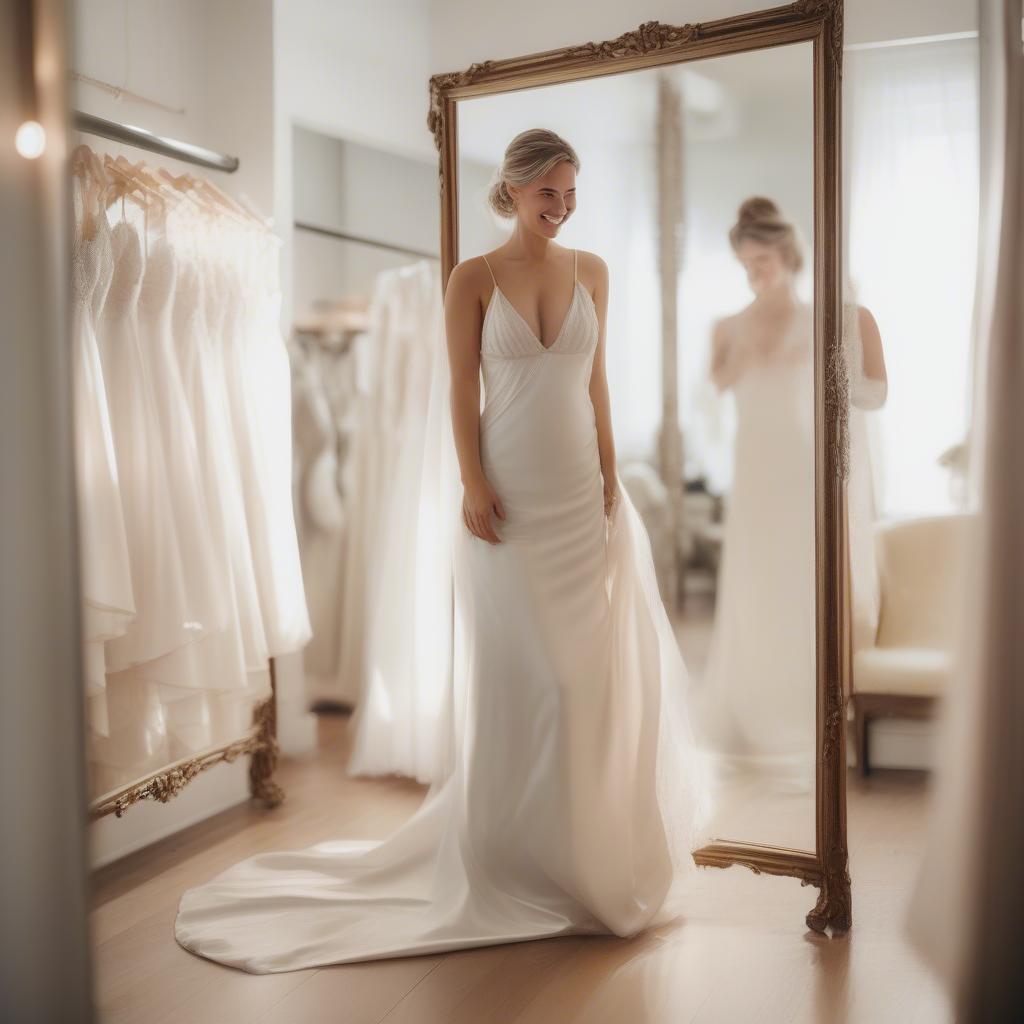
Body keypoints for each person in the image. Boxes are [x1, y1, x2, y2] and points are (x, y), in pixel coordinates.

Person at [173, 128, 712, 974]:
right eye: (550, 195)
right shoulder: (473, 277)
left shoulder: (593, 272)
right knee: (520, 677)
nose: (563, 209)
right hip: (508, 498)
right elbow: (462, 385)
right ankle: (510, 861)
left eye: (572, 195)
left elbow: (596, 382)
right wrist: (470, 481)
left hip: (579, 497)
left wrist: (612, 478)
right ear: (515, 189)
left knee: (584, 682)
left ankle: (582, 856)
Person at [694, 197, 818, 789]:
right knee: (751, 585)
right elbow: (711, 394)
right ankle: (747, 716)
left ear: (786, 254)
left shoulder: (818, 320)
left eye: (763, 260)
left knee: (797, 588)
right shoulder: (727, 324)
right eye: (746, 263)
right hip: (753, 473)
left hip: (799, 472)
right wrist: (740, 357)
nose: (755, 273)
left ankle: (801, 715)